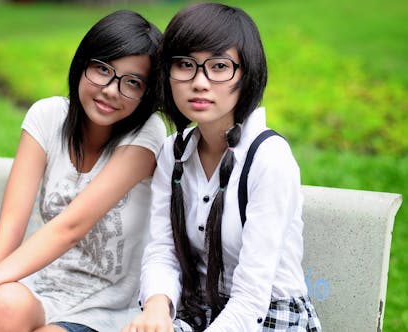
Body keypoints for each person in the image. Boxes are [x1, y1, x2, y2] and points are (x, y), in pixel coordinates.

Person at [0, 10, 165, 332]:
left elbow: (71, 226)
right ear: (81, 65)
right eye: (102, 70)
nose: (112, 90)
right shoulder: (47, 116)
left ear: (146, 94)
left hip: (108, 304)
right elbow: (9, 229)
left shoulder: (146, 134)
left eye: (132, 82)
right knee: (2, 304)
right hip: (43, 286)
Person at [122, 3, 321, 332]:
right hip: (197, 311)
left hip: (266, 318)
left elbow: (251, 297)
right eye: (185, 65)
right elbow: (162, 250)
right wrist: (157, 308)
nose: (200, 82)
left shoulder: (268, 158)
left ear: (247, 74)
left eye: (219, 66)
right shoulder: (173, 153)